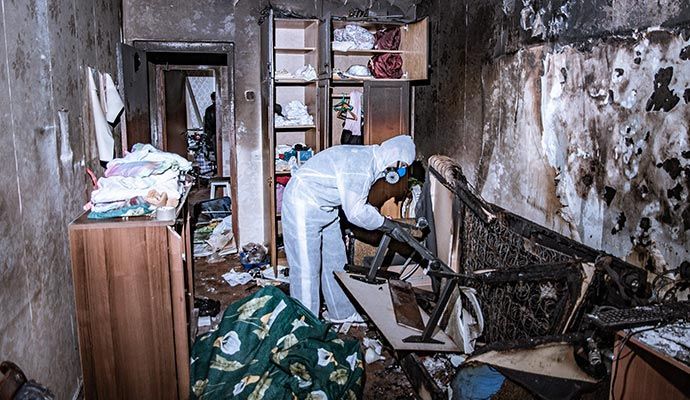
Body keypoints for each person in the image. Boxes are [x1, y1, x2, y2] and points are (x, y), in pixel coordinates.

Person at [281, 135, 416, 321]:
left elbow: (355, 198)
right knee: (306, 268)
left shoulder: (374, 159)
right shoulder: (361, 167)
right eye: (402, 167)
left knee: (335, 261)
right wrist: (386, 225)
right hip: (302, 204)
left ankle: (341, 312)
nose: (401, 172)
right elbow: (355, 212)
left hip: (326, 207)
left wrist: (382, 220)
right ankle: (306, 323)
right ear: (395, 157)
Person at [203, 92, 216, 159]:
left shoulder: (209, 109)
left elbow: (207, 124)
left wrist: (208, 136)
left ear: (212, 99)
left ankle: (217, 166)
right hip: (223, 133)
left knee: (216, 151)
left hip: (213, 133)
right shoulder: (224, 108)